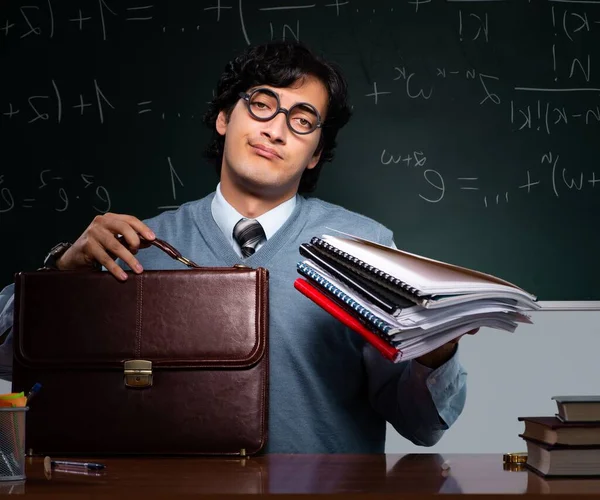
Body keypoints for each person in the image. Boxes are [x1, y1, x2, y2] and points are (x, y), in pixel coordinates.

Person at [0, 40, 471, 453]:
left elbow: (423, 426)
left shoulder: (367, 249)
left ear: (317, 154)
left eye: (303, 120)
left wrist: (436, 353)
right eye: (262, 105)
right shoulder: (134, 246)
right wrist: (61, 273)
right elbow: (10, 362)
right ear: (224, 118)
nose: (276, 129)